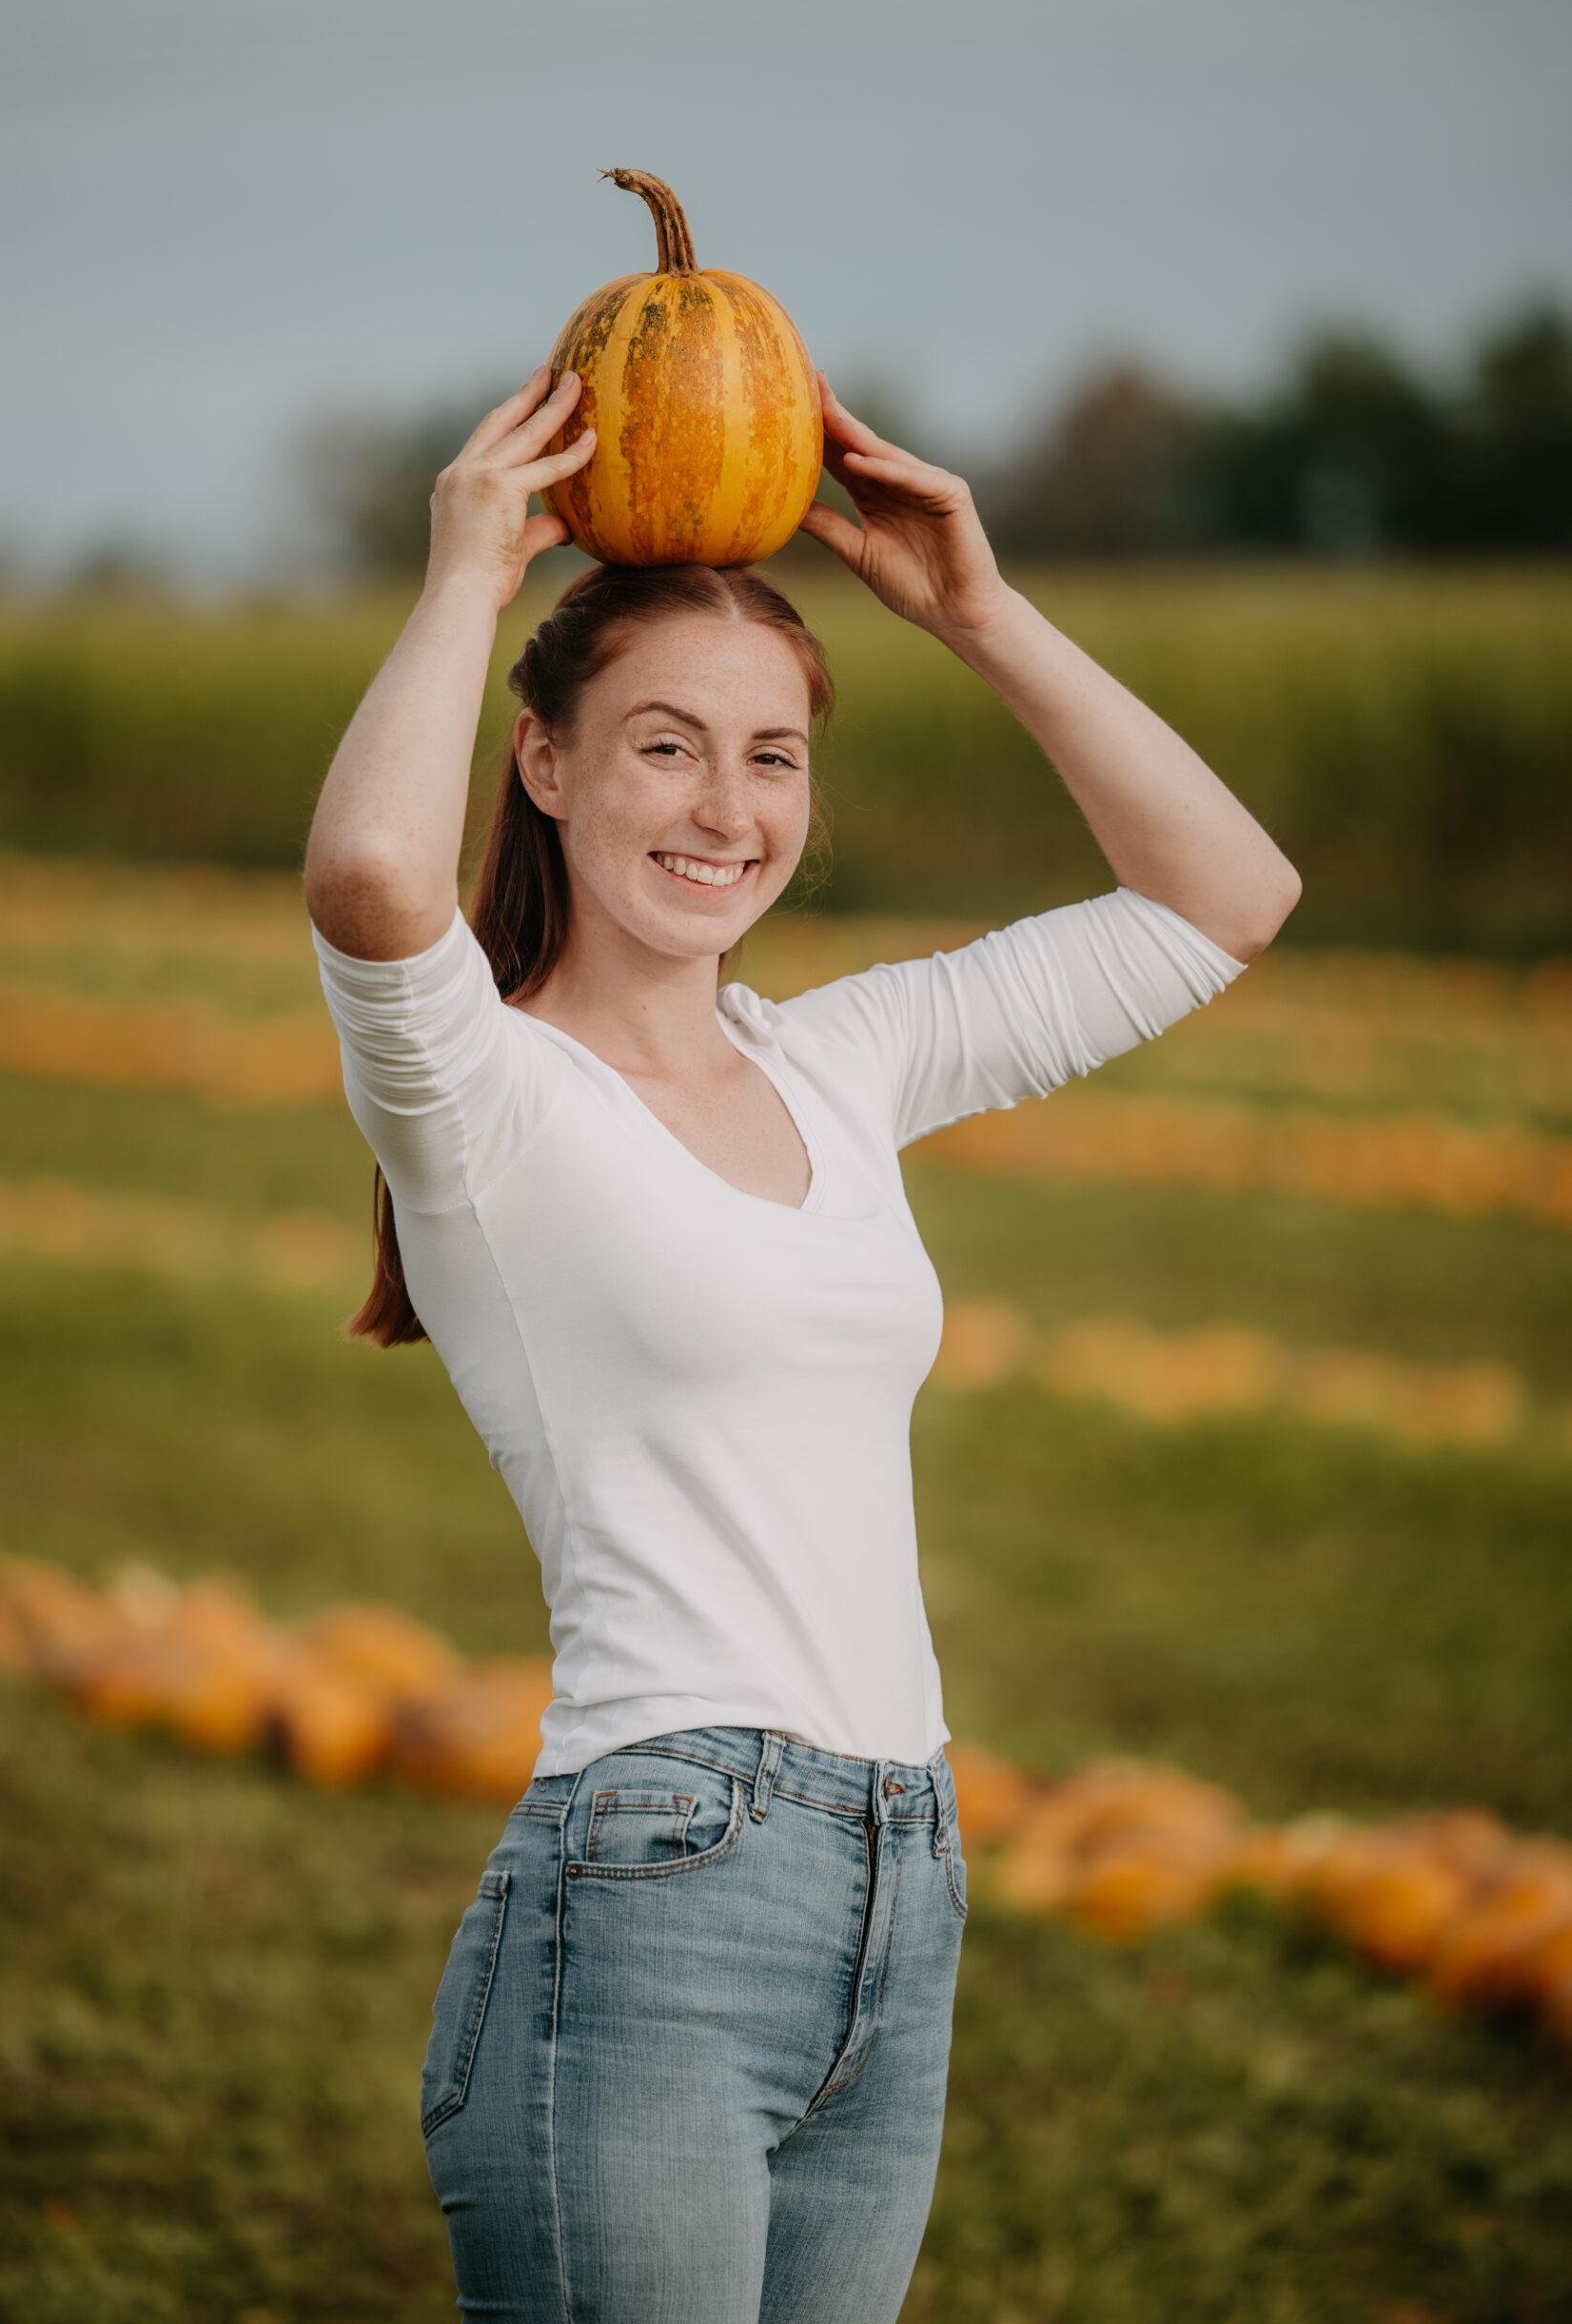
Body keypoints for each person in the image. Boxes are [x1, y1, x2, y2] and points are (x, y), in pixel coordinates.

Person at [303, 364, 1301, 2322]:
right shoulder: (483, 1095)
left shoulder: (840, 1057)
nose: (726, 808)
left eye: (771, 757)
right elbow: (368, 882)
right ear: (543, 764)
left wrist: (977, 614)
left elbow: (1225, 895)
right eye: (664, 746)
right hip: (651, 1885)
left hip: (904, 1876)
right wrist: (463, 579)